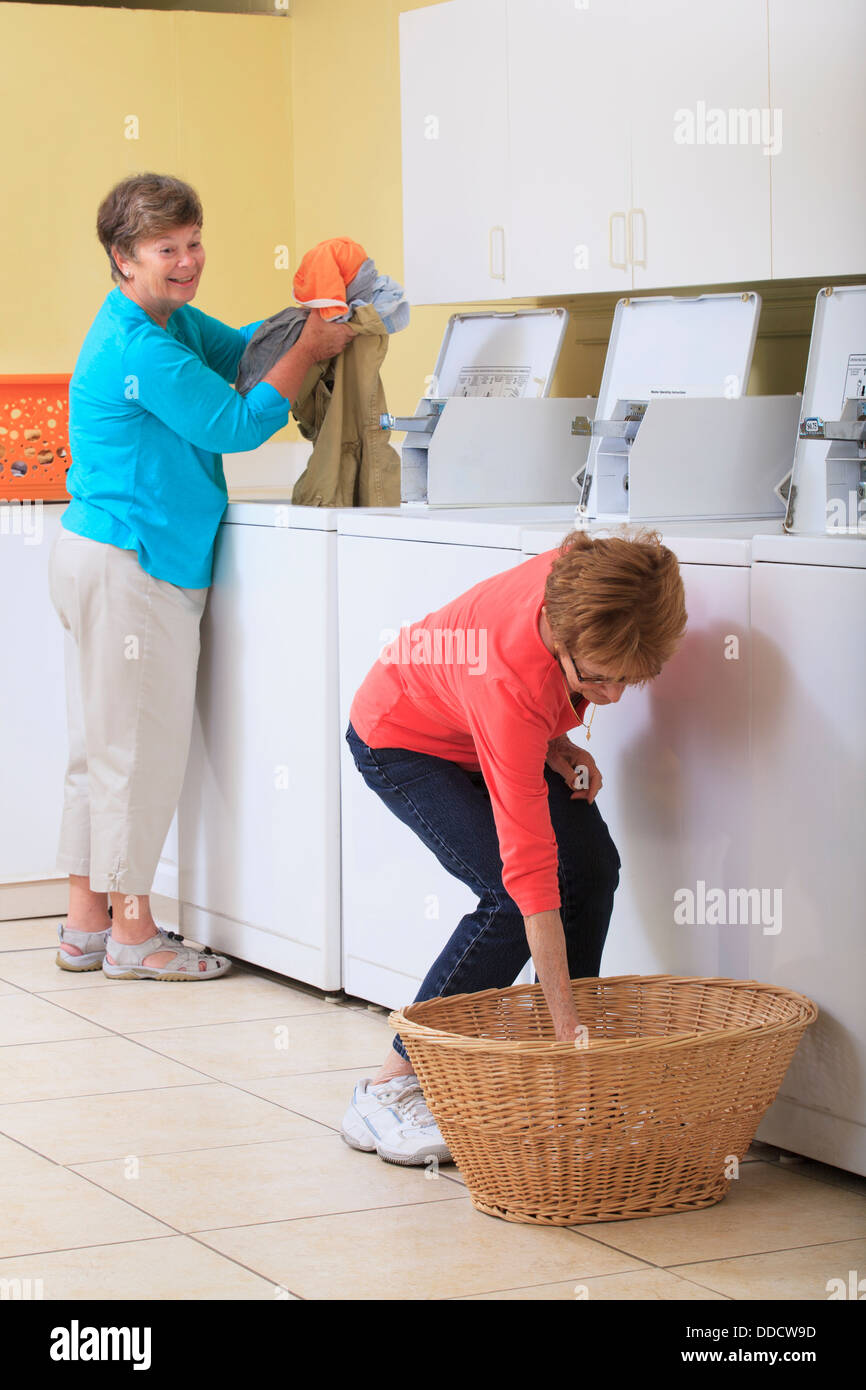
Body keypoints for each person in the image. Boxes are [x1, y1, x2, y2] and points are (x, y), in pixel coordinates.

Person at [50, 171, 354, 981]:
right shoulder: (141, 348)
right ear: (124, 257)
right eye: (166, 249)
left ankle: (85, 923)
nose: (187, 261)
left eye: (193, 243)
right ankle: (134, 935)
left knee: (100, 749)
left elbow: (244, 353)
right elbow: (238, 423)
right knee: (136, 755)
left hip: (100, 554)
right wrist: (311, 351)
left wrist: (304, 316)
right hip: (134, 564)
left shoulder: (165, 321)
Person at [340, 527, 687, 1164]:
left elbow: (537, 694)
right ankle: (389, 1086)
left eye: (631, 679)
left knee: (592, 868)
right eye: (597, 679)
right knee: (509, 894)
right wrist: (566, 1032)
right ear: (560, 640)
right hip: (403, 737)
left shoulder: (593, 577)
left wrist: (555, 737)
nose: (611, 696)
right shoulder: (510, 684)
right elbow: (531, 880)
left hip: (480, 719)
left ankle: (570, 1063)